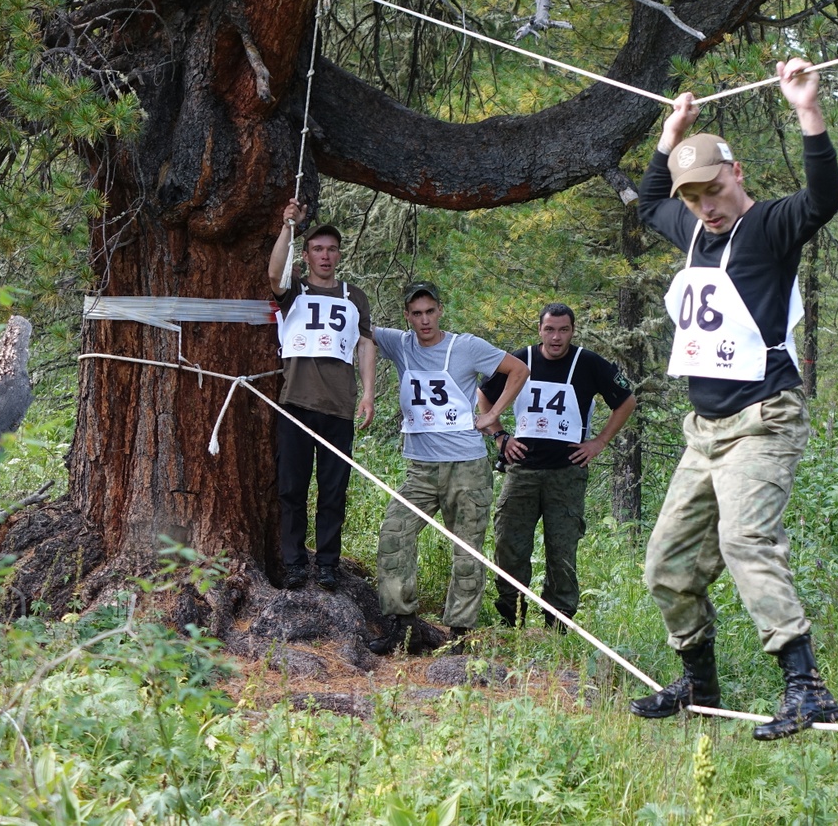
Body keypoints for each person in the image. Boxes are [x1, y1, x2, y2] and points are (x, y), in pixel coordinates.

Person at [629, 59, 838, 740]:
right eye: (694, 198)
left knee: (745, 539)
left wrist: (806, 110)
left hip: (763, 420)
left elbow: (824, 199)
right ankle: (699, 680)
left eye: (715, 191)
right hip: (705, 430)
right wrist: (670, 134)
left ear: (737, 174)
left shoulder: (772, 227)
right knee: (664, 565)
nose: (706, 207)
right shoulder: (690, 230)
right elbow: (645, 201)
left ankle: (806, 689)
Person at [370, 281, 528, 650]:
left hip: (467, 466)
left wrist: (493, 416)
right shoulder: (400, 343)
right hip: (420, 469)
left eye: (429, 311)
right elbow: (358, 325)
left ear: (440, 310)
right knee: (394, 534)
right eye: (416, 313)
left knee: (467, 549)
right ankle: (402, 626)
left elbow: (518, 370)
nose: (424, 320)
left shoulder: (466, 346)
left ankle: (460, 633)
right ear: (407, 316)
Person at [478, 303, 637, 629]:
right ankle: (512, 616)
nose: (556, 337)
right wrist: (499, 436)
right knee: (508, 543)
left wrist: (600, 442)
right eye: (550, 329)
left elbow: (627, 400)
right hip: (522, 468)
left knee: (561, 551)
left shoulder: (588, 363)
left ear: (572, 331)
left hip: (566, 473)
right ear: (540, 330)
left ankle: (557, 624)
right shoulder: (520, 360)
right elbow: (484, 393)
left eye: (563, 330)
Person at [267, 199, 376, 591]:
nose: (325, 255)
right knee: (292, 488)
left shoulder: (353, 296)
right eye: (317, 248)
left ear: (339, 254)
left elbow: (365, 345)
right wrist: (287, 227)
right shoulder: (295, 290)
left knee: (333, 491)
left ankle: (328, 563)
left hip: (339, 408)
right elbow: (274, 273)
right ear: (308, 253)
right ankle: (294, 562)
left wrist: (368, 394)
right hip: (295, 403)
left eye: (331, 249)